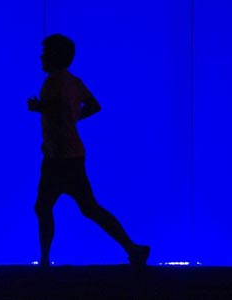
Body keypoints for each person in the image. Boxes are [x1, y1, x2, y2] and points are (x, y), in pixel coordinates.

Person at [27, 34, 150, 268]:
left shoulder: (53, 83)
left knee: (45, 207)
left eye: (45, 53)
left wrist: (39, 107)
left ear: (54, 57)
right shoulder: (75, 82)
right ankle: (133, 248)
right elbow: (93, 106)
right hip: (70, 155)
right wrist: (71, 120)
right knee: (88, 208)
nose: (41, 57)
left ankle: (44, 260)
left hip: (58, 158)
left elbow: (56, 107)